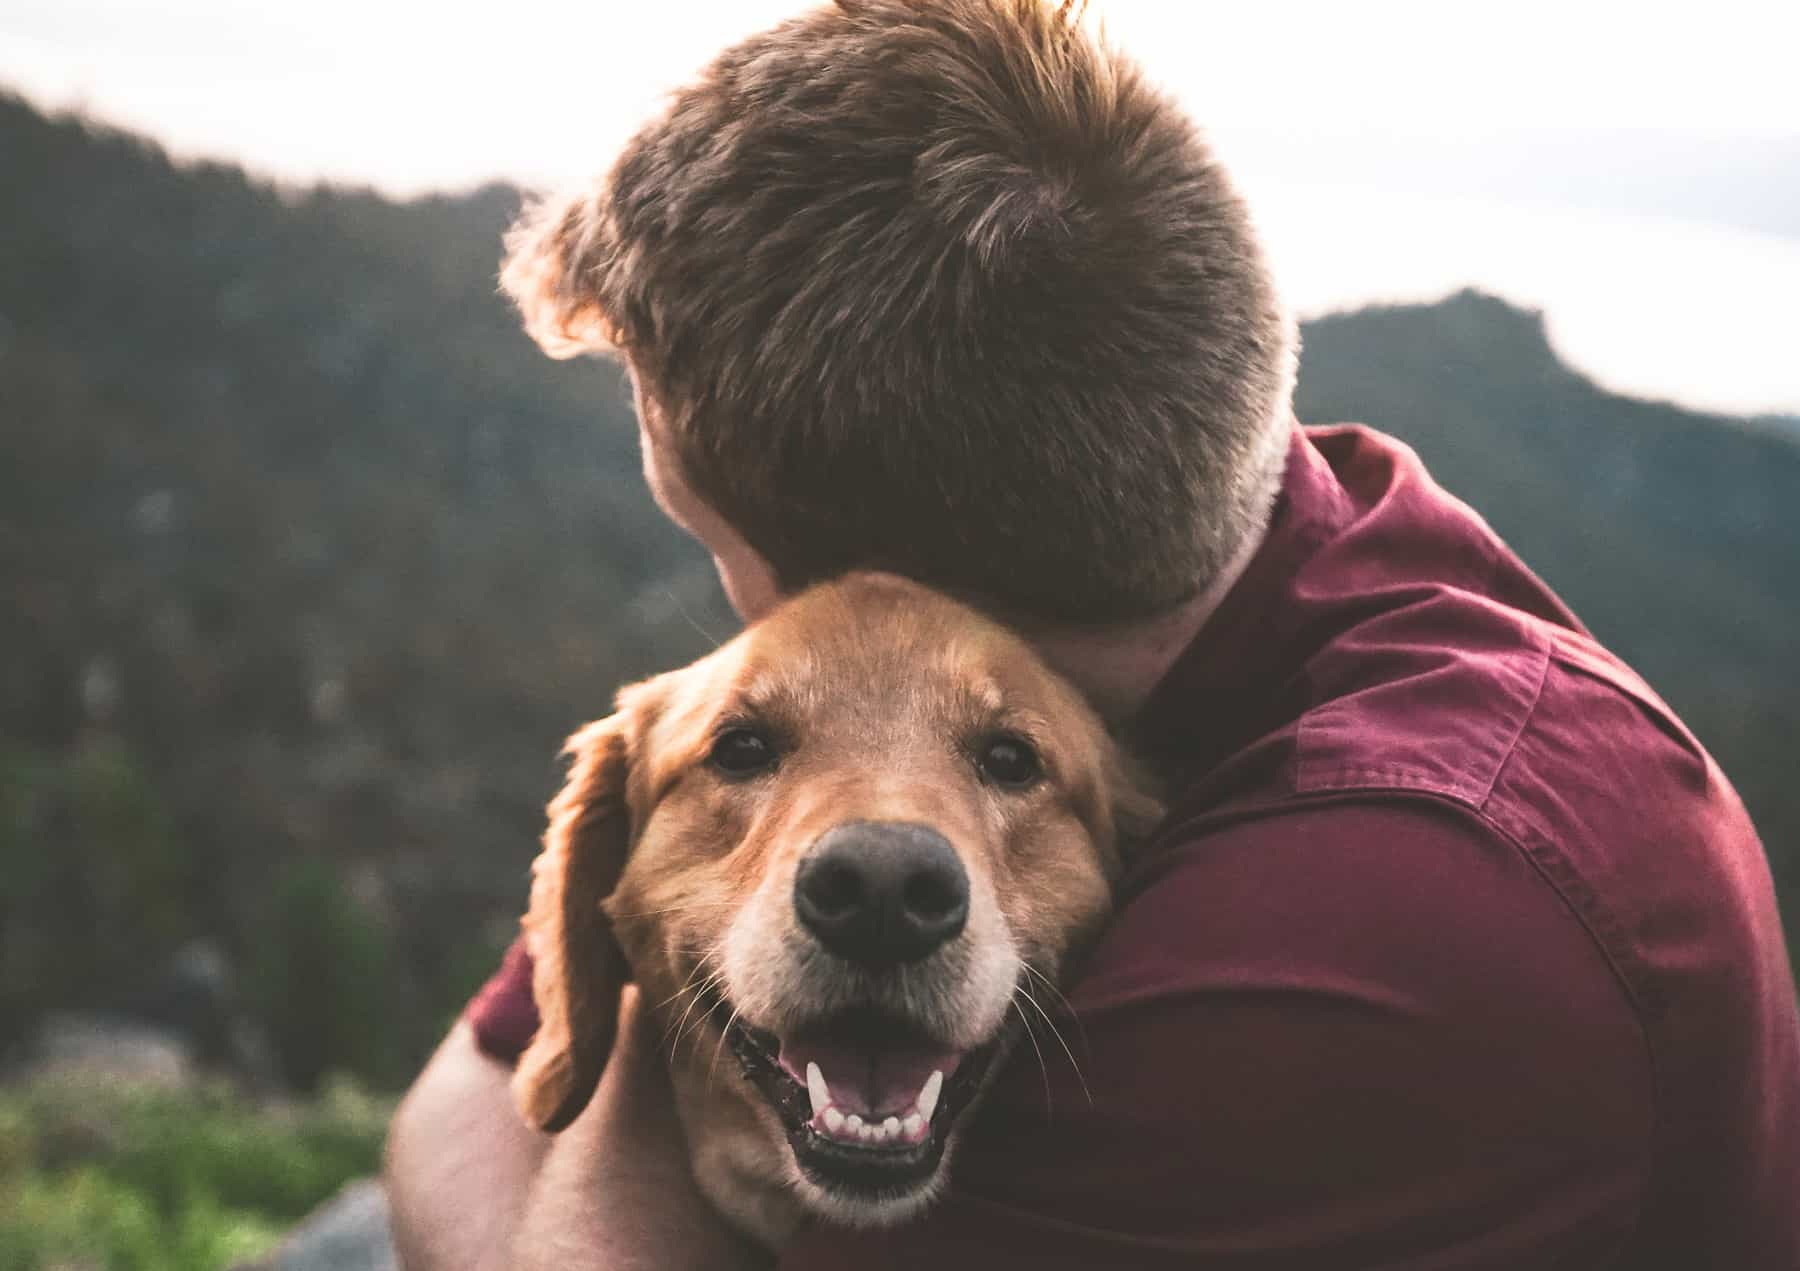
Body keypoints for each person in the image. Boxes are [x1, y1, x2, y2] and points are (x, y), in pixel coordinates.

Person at [383, 2, 1800, 1267]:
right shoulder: (1193, 507)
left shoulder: (1391, 924)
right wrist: (669, 977)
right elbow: (470, 1085)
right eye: (765, 721)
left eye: (711, 539)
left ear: (899, 586)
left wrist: (659, 1027)